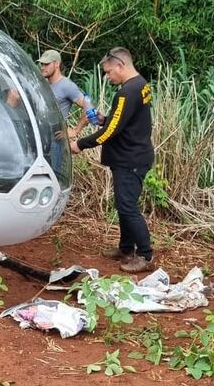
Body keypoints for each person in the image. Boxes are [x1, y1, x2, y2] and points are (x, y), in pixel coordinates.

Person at [70, 47, 155, 273]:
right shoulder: (141, 85)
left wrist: (79, 144)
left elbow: (110, 132)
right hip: (133, 155)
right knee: (124, 205)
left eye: (108, 72)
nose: (107, 77)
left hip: (131, 159)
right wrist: (103, 118)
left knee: (127, 207)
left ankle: (145, 255)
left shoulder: (127, 92)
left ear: (120, 65)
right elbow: (123, 122)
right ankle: (126, 248)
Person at [37, 49, 90, 138]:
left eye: (46, 64)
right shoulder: (42, 83)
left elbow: (89, 106)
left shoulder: (67, 85)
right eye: (42, 64)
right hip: (40, 136)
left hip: (56, 139)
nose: (42, 67)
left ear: (57, 64)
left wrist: (75, 131)